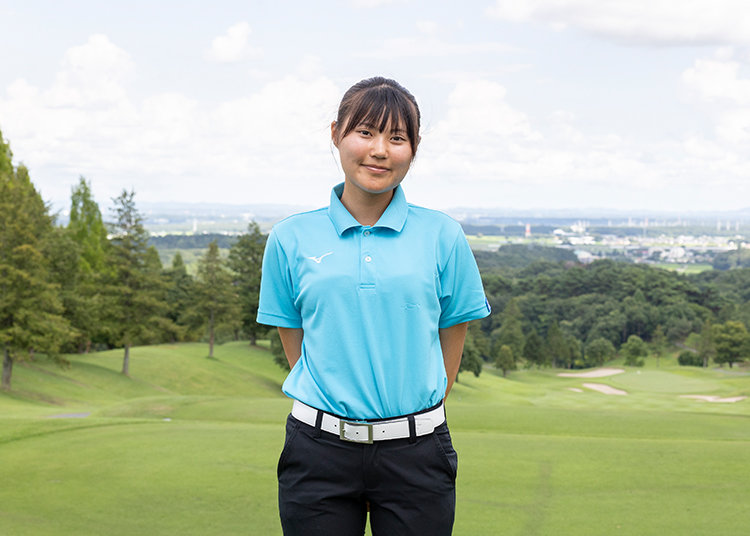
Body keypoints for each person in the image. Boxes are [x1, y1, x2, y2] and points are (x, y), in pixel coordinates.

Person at [257, 76, 490, 536]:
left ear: (413, 148)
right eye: (365, 132)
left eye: (397, 137)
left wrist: (415, 417)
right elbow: (294, 338)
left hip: (417, 451)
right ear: (336, 134)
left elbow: (452, 336)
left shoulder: (443, 235)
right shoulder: (289, 238)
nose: (380, 149)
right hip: (317, 450)